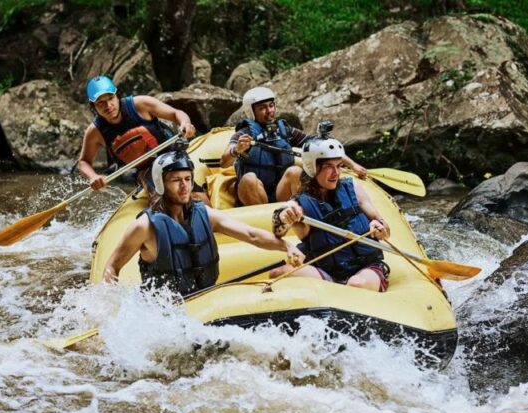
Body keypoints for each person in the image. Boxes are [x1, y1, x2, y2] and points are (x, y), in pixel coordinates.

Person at [103, 151, 305, 295]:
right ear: (160, 184)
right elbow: (112, 267)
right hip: (165, 312)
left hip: (205, 299)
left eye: (188, 179)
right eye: (176, 180)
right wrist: (109, 306)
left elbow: (251, 234)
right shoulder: (145, 227)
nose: (185, 187)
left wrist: (286, 245)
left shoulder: (204, 214)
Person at [270, 137, 391, 292]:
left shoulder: (353, 188)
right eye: (329, 166)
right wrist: (284, 217)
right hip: (329, 274)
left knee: (356, 285)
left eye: (339, 166)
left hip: (367, 267)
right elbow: (278, 227)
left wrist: (380, 227)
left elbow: (386, 230)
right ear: (312, 167)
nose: (336, 173)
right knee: (277, 274)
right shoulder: (299, 204)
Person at [220, 86, 367, 205]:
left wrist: (353, 165)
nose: (269, 111)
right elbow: (223, 162)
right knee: (249, 178)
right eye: (262, 108)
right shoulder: (243, 135)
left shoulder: (285, 130)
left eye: (271, 106)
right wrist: (236, 150)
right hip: (254, 193)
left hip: (281, 191)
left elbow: (322, 146)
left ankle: (301, 210)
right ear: (251, 112)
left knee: (295, 171)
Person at [78, 75, 208, 203]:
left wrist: (185, 123)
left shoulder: (140, 104)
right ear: (93, 106)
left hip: (171, 155)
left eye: (111, 98)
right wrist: (93, 177)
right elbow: (84, 162)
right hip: (144, 170)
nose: (108, 105)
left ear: (117, 96)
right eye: (100, 103)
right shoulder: (95, 132)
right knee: (163, 200)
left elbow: (176, 113)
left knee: (193, 193)